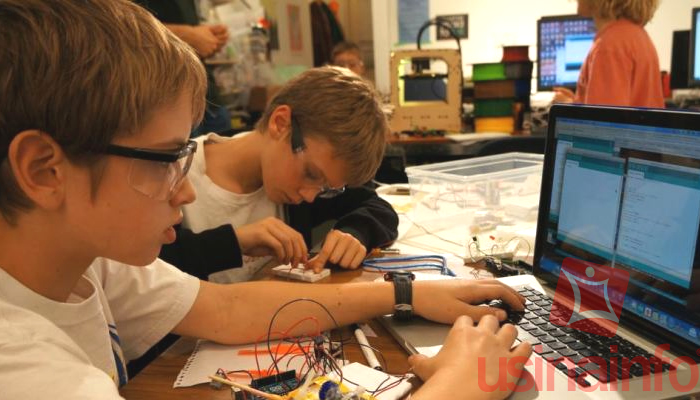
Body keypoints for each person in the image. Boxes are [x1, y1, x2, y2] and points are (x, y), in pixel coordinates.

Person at [0, 1, 532, 399]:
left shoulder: (86, 264)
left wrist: (404, 293)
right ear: (45, 171)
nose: (184, 191)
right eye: (165, 160)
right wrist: (461, 386)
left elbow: (225, 308)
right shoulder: (23, 367)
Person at [159, 66, 396, 282]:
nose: (311, 196)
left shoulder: (299, 188)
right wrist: (234, 242)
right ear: (281, 124)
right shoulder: (173, 173)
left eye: (327, 188)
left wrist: (355, 233)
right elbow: (147, 268)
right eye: (311, 174)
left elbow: (380, 209)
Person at [134, 0, 232, 136]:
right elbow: (112, 24)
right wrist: (185, 36)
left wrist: (209, 38)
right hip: (159, 98)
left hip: (206, 97)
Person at [553, 0, 664, 108]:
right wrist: (577, 102)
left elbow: (604, 121)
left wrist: (569, 108)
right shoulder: (638, 35)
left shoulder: (609, 47)